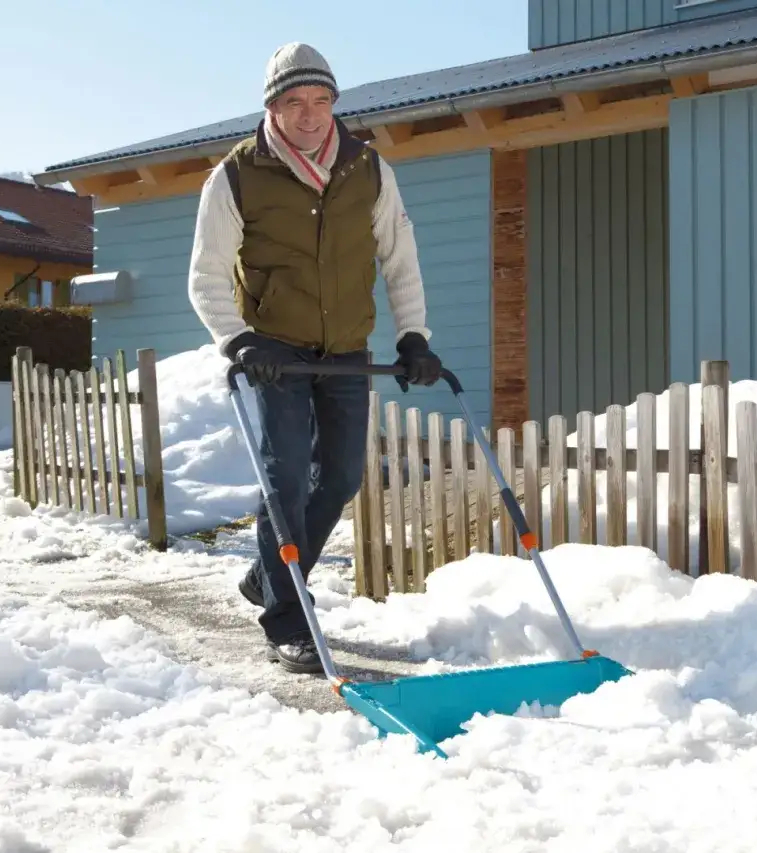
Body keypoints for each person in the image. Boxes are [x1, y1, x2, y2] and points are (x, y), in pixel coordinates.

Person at [187, 42, 442, 674]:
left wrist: (415, 338)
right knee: (286, 480)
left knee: (342, 478)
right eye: (295, 102)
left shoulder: (369, 170)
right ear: (273, 106)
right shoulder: (236, 176)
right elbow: (207, 275)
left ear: (334, 103)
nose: (310, 115)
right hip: (275, 352)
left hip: (348, 350)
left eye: (321, 100)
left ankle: (265, 578)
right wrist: (239, 340)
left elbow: (399, 261)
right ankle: (286, 620)